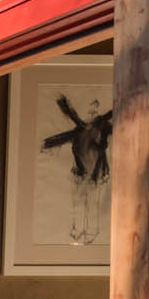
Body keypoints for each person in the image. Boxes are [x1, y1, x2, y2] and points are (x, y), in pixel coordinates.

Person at [41, 93, 112, 244]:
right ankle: (78, 230)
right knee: (79, 202)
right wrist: (46, 144)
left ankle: (91, 231)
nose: (92, 113)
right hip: (80, 174)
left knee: (93, 203)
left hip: (96, 175)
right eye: (90, 109)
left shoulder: (102, 128)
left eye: (95, 109)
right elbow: (62, 139)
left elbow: (103, 146)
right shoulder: (79, 131)